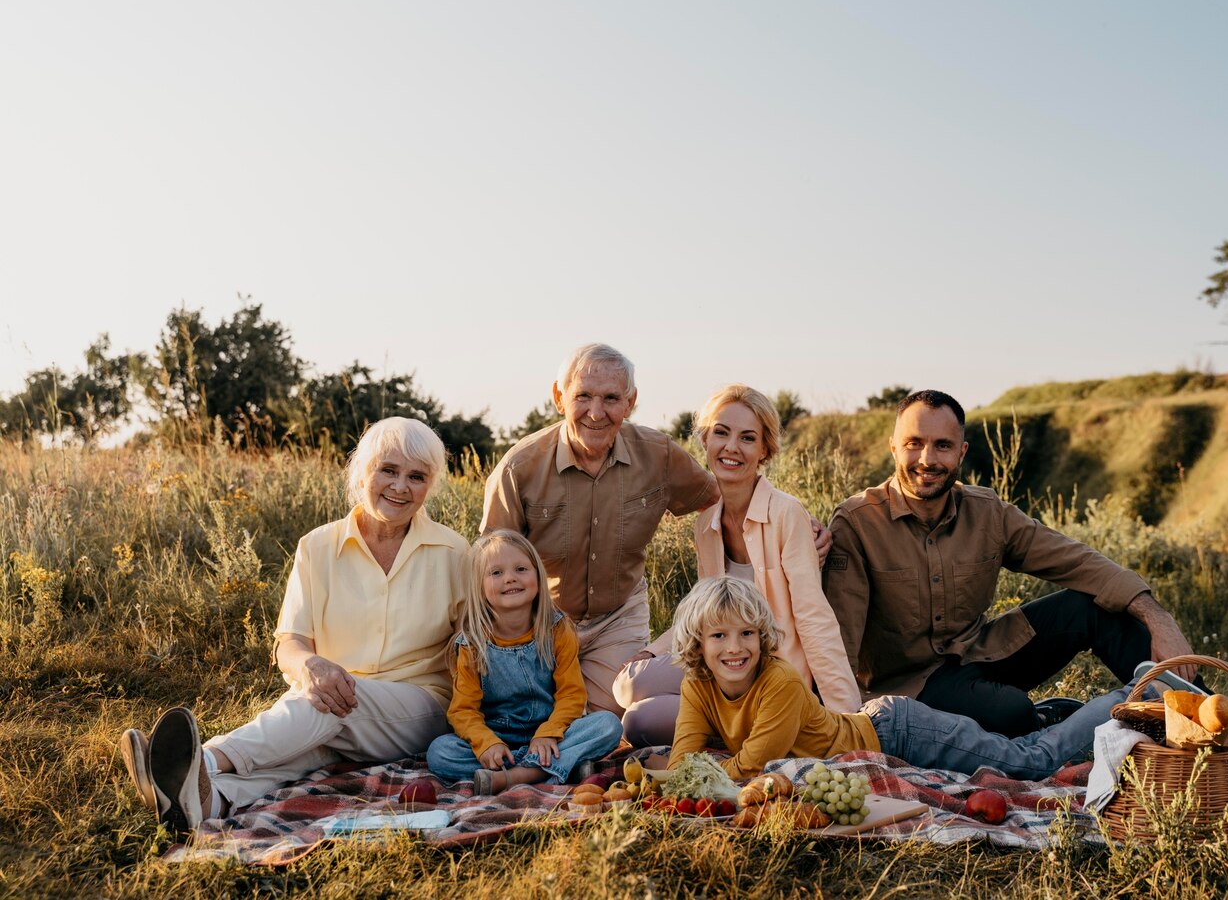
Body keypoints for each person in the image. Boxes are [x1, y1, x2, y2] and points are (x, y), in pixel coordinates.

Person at [119, 418, 468, 832]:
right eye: (388, 470)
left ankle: (203, 758)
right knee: (306, 743)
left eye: (417, 477)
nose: (400, 486)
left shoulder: (454, 552)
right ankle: (207, 800)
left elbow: (478, 642)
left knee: (330, 704)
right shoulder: (317, 546)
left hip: (418, 708)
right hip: (325, 702)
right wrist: (310, 667)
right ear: (362, 472)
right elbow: (291, 641)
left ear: (430, 485)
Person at [822, 389, 1197, 738]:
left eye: (942, 446)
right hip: (913, 685)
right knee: (1010, 712)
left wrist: (1157, 617)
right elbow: (839, 641)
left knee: (1093, 608)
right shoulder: (858, 523)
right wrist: (850, 730)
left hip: (980, 652)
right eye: (913, 444)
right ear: (893, 448)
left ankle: (1205, 719)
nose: (927, 459)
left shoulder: (988, 513)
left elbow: (1077, 561)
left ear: (962, 452)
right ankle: (1049, 722)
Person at [482, 344, 831, 715]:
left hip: (617, 618)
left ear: (630, 402)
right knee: (527, 715)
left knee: (609, 716)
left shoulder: (658, 454)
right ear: (559, 396)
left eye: (611, 398)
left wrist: (797, 523)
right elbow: (487, 569)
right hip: (542, 619)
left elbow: (724, 493)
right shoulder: (518, 468)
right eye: (583, 396)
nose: (596, 413)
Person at [667, 576, 1130, 781]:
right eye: (719, 636)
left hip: (897, 733)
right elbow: (680, 763)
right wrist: (685, 774)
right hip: (881, 728)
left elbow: (751, 767)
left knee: (1032, 764)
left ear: (762, 635)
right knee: (1021, 749)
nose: (735, 648)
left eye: (748, 633)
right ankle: (1064, 714)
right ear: (698, 642)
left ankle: (1136, 692)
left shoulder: (779, 680)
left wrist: (698, 774)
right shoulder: (697, 686)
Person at [614, 385, 860, 746]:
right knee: (631, 696)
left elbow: (813, 617)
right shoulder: (706, 525)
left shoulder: (786, 514)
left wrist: (846, 723)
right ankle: (731, 729)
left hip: (769, 677)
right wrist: (651, 651)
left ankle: (763, 727)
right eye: (721, 433)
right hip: (721, 665)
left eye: (747, 438)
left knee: (642, 719)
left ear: (764, 450)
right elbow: (701, 615)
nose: (731, 447)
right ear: (705, 439)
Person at [425, 530, 623, 794]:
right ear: (479, 587)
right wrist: (487, 744)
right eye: (496, 573)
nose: (510, 578)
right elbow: (463, 711)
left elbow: (571, 694)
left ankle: (513, 776)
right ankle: (558, 768)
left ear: (538, 577)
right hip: (499, 738)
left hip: (553, 732)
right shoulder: (472, 643)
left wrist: (548, 733)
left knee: (608, 725)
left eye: (521, 569)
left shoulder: (557, 629)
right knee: (440, 752)